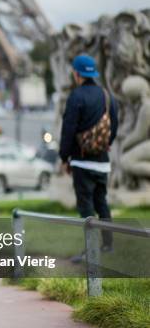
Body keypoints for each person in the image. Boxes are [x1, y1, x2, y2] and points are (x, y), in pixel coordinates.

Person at [59, 54, 119, 263]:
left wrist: (64, 157)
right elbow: (113, 129)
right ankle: (108, 245)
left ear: (77, 74)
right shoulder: (107, 96)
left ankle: (91, 251)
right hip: (102, 162)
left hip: (82, 161)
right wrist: (102, 146)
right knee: (102, 203)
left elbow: (68, 130)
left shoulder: (76, 97)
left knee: (86, 207)